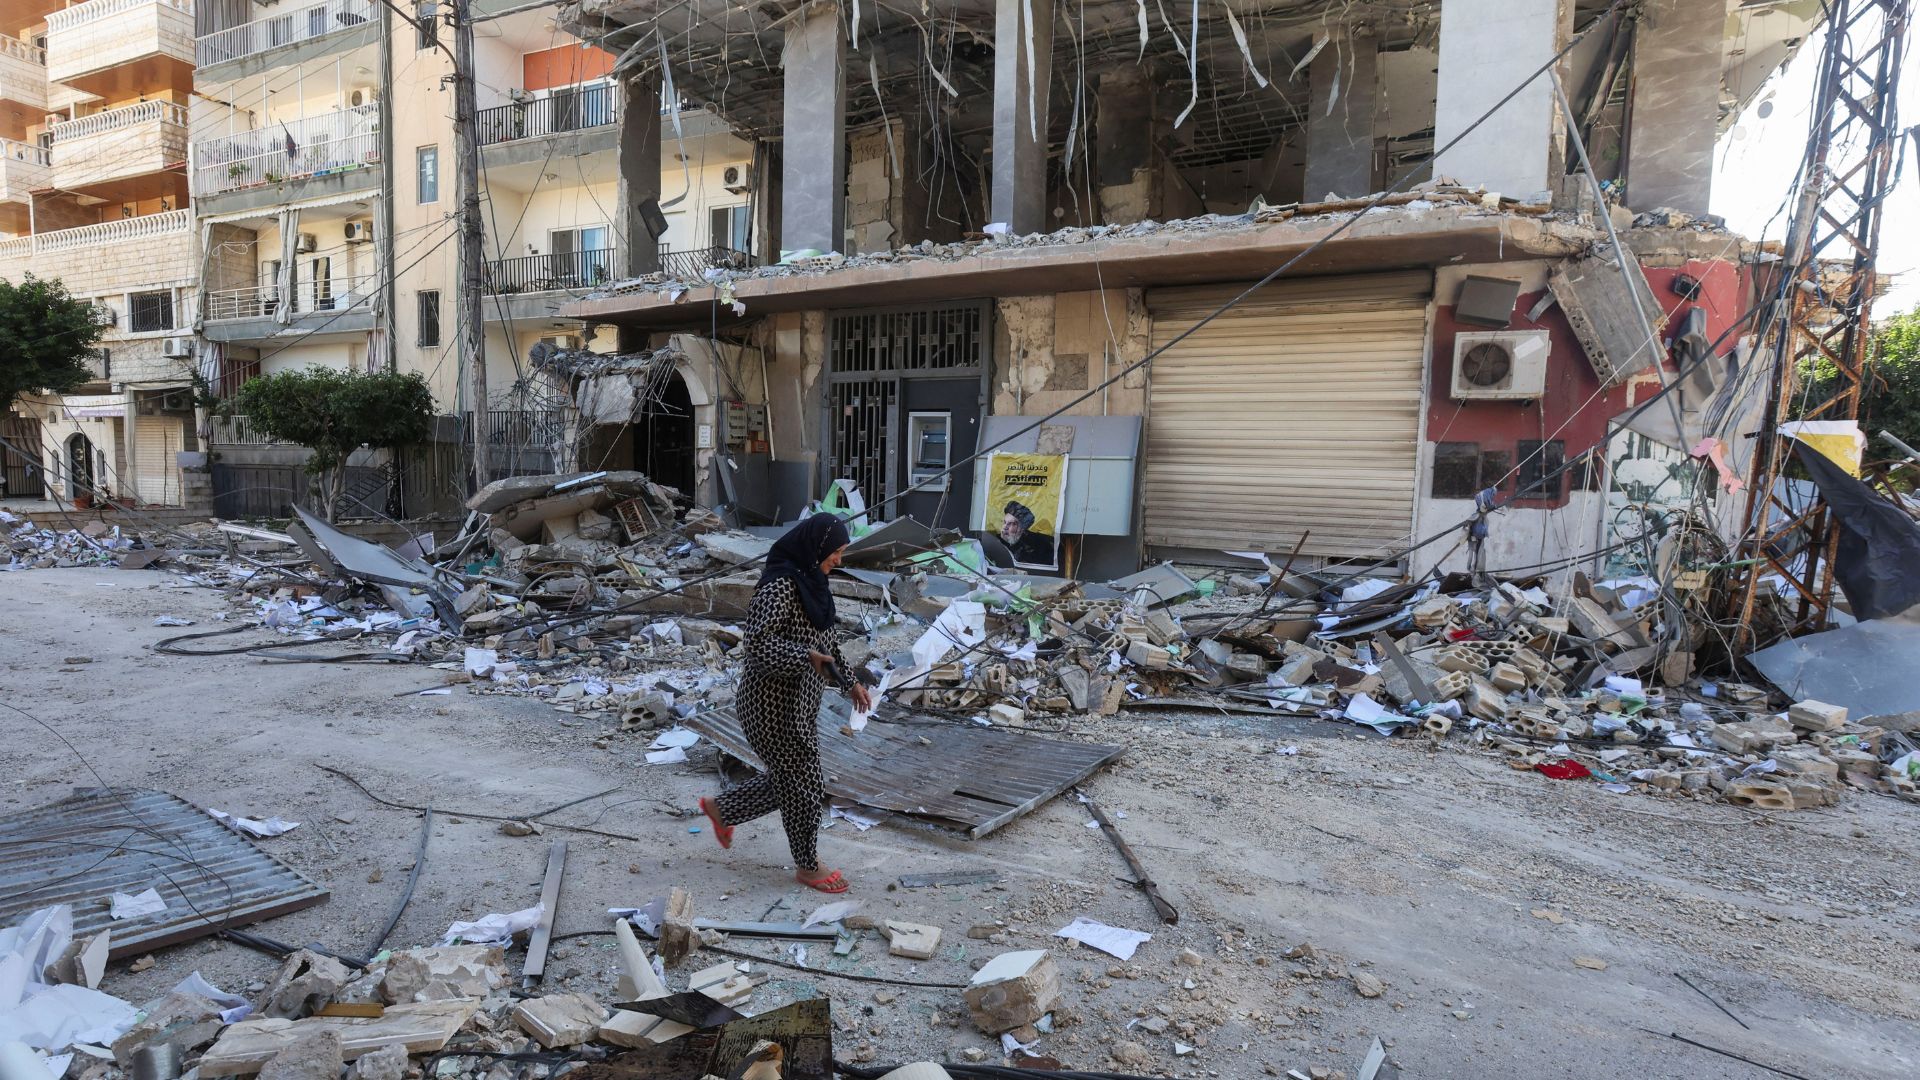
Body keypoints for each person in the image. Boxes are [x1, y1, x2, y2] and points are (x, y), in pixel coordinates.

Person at [699, 513, 872, 893]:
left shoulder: (814, 582)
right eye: (836, 552)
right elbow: (758, 644)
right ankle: (808, 865)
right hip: (770, 707)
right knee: (806, 784)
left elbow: (828, 645)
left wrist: (852, 684)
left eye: (841, 552)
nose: (838, 560)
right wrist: (804, 658)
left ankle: (722, 810)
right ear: (816, 547)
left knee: (790, 780)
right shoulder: (779, 586)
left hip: (799, 708)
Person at [998, 500, 1056, 566]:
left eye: (1011, 524)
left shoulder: (1038, 546)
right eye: (1005, 522)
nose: (1005, 527)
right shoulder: (995, 540)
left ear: (1022, 528)